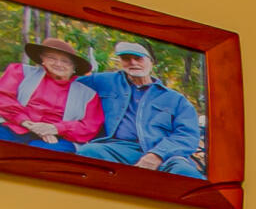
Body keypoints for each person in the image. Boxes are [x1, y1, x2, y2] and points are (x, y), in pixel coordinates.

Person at [76, 40, 205, 178]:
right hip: (117, 148)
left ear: (151, 62)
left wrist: (157, 155)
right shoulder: (105, 81)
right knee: (89, 151)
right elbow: (67, 83)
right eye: (126, 59)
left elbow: (187, 135)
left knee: (186, 174)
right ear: (120, 62)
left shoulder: (175, 99)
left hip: (165, 154)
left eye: (138, 58)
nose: (133, 63)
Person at [0, 34, 104, 152]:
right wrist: (27, 123)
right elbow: (3, 98)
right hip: (16, 127)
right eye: (52, 58)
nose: (58, 64)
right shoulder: (21, 72)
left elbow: (90, 126)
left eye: (65, 61)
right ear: (42, 59)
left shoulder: (88, 94)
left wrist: (56, 128)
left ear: (74, 66)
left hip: (57, 138)